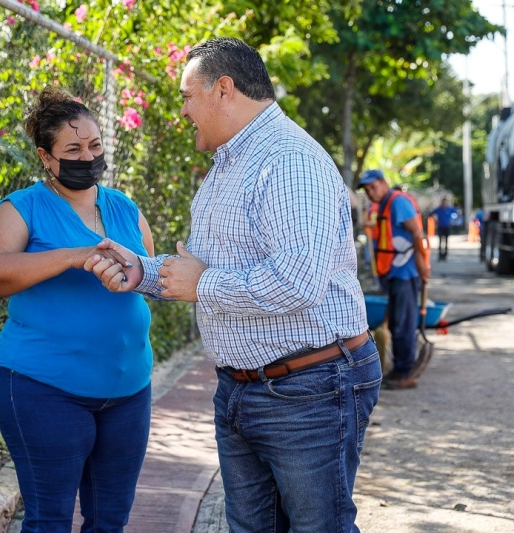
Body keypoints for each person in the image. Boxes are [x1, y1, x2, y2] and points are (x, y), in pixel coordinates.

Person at [86, 38, 381, 533]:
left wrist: (204, 285)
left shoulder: (288, 161)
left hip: (309, 387)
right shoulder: (230, 162)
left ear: (224, 89)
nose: (182, 110)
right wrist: (143, 271)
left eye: (186, 96)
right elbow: (206, 269)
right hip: (246, 389)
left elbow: (297, 282)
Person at [0, 87, 155, 533]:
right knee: (50, 521)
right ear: (46, 157)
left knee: (110, 521)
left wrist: (141, 274)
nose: (87, 156)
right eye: (72, 148)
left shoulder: (124, 207)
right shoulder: (23, 207)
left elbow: (147, 275)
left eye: (94, 145)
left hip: (129, 390)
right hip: (44, 389)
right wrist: (73, 256)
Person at [358, 169, 431, 389]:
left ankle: (405, 371)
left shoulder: (398, 202)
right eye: (367, 190)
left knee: (403, 325)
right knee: (398, 323)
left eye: (373, 187)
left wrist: (422, 265)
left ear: (383, 183)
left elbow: (417, 234)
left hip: (406, 274)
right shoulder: (382, 205)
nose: (371, 192)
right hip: (393, 274)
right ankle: (399, 368)